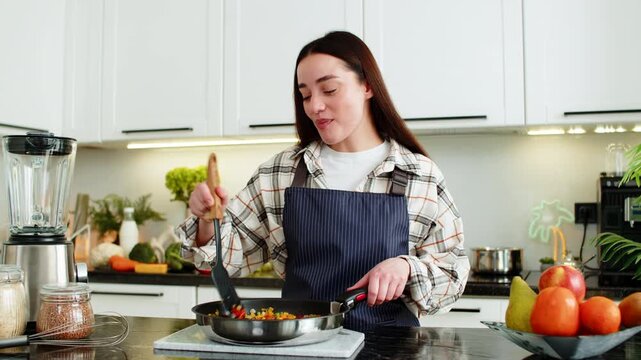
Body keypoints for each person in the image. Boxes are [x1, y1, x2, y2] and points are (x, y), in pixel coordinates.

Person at [177, 31, 469, 331]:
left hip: (391, 348)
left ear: (367, 86)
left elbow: (452, 274)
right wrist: (205, 221)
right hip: (301, 346)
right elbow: (223, 259)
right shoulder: (281, 173)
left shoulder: (419, 174)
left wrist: (407, 268)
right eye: (305, 95)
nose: (314, 105)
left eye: (329, 90)